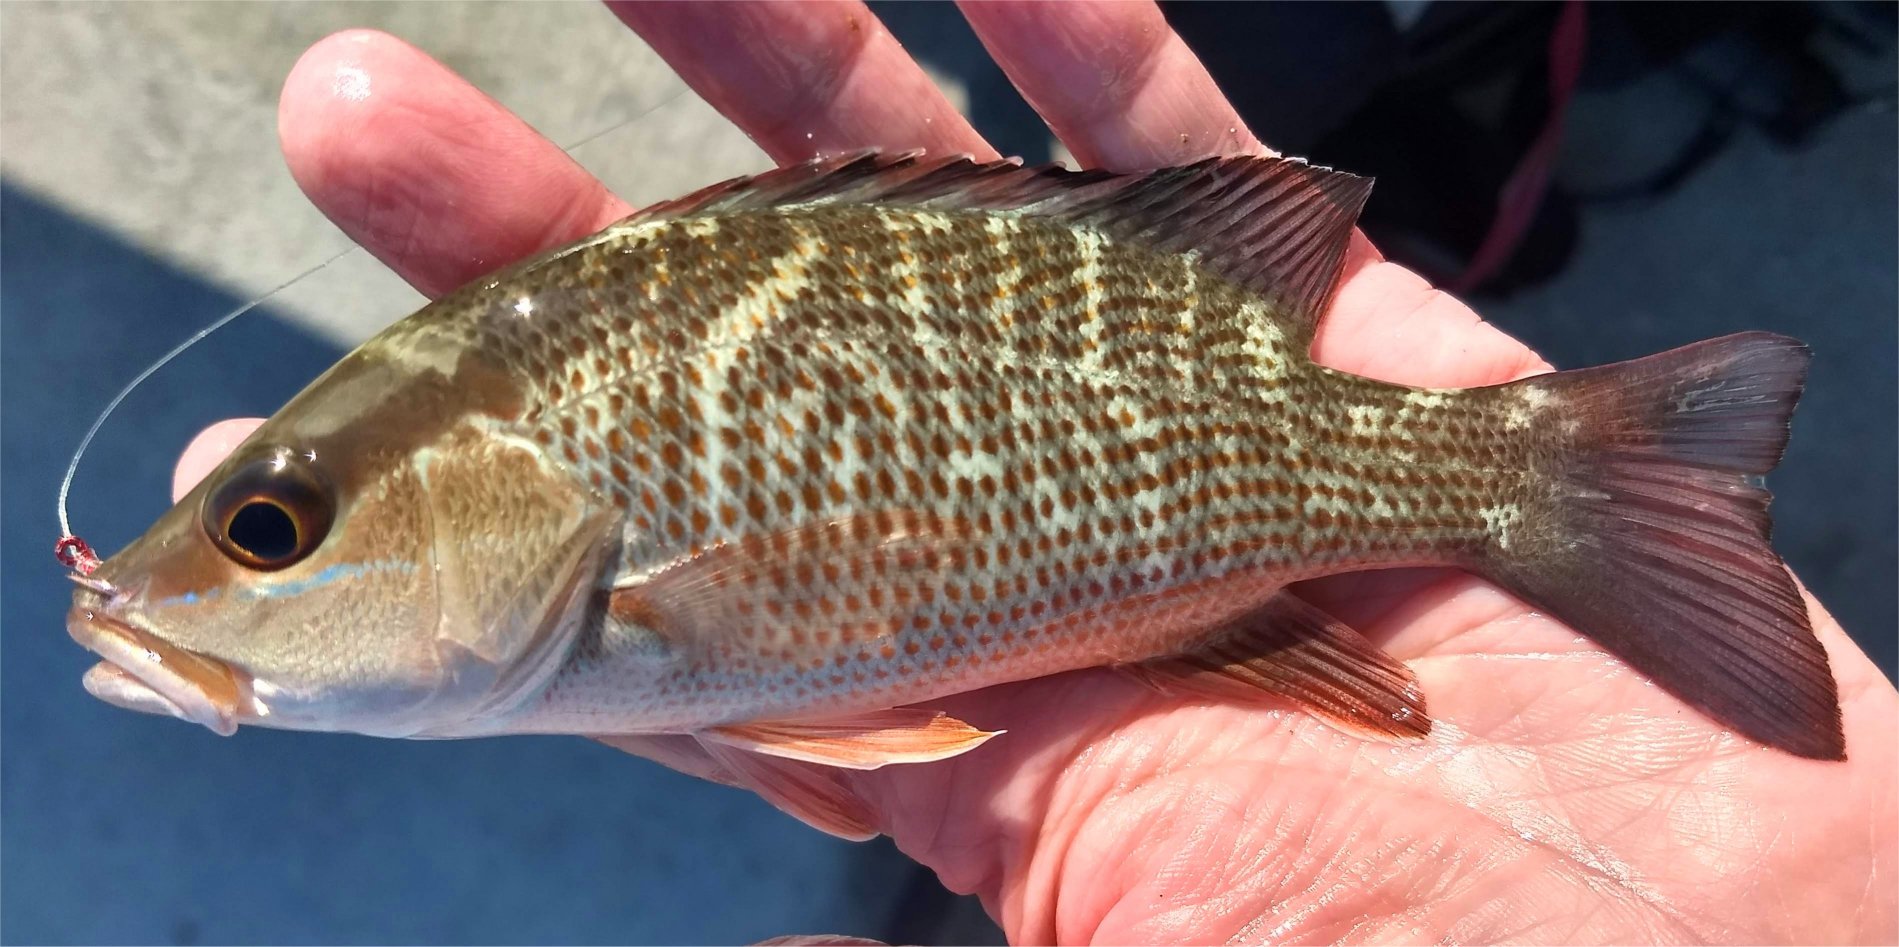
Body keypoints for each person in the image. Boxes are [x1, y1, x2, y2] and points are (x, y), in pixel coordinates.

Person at [173, 3, 1897, 943]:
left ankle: (1577, 481)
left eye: (273, 530)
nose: (235, 581)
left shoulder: (628, 612)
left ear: (484, 486)